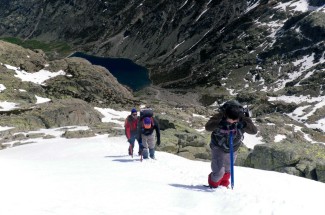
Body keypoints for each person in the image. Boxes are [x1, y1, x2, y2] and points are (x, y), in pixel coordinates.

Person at [205, 100, 257, 188]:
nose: (232, 122)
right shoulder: (220, 116)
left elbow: (254, 131)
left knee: (228, 169)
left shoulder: (243, 118)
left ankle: (223, 185)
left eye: (235, 121)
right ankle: (213, 185)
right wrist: (219, 123)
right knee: (219, 172)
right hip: (218, 146)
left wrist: (244, 124)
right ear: (226, 115)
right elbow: (208, 127)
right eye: (230, 120)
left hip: (233, 148)